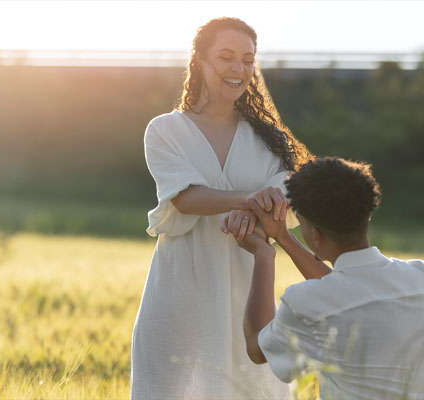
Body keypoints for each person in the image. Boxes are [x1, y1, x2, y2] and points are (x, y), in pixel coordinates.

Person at [130, 17, 311, 400]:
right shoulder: (165, 131)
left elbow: (284, 201)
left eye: (247, 60)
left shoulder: (268, 140)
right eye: (226, 57)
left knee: (250, 386)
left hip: (249, 293)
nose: (239, 69)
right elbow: (185, 197)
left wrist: (263, 203)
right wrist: (252, 199)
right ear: (200, 61)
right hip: (182, 288)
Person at [234, 157, 424, 400]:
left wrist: (264, 254)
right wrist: (283, 237)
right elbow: (348, 290)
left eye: (300, 224)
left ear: (316, 235)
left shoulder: (305, 301)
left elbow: (257, 349)